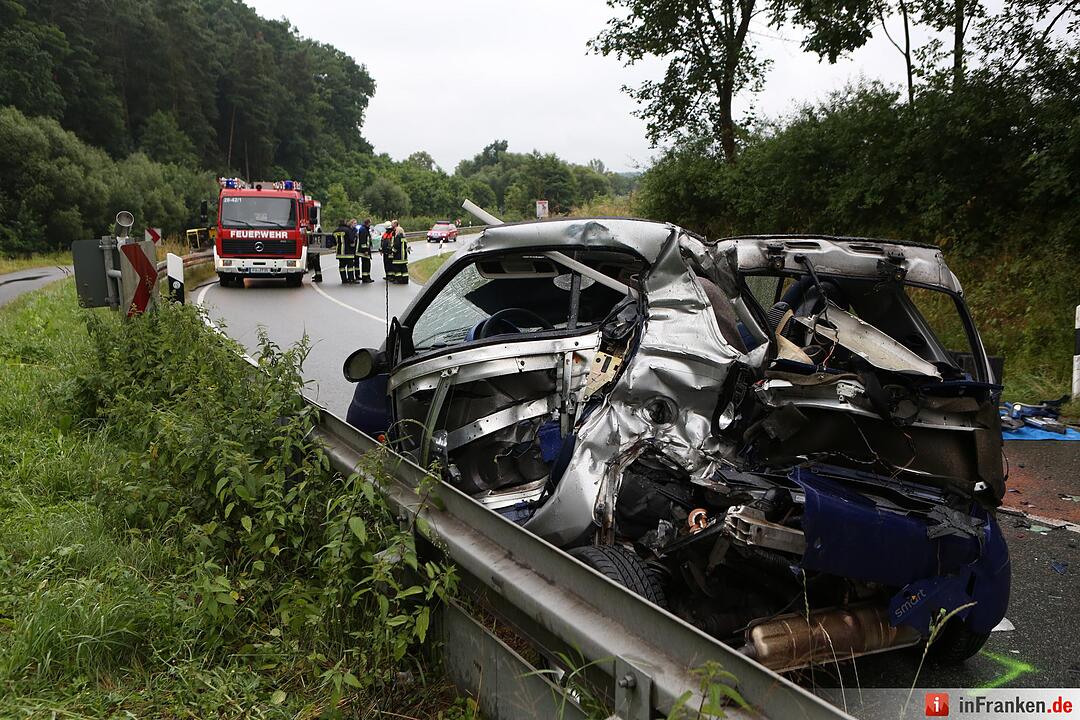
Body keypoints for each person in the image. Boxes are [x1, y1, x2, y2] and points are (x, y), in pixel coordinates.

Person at [334, 219, 358, 284]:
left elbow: (334, 242)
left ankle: (344, 280)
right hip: (348, 251)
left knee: (342, 267)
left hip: (339, 252)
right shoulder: (348, 230)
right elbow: (351, 239)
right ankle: (351, 279)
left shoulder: (335, 231)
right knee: (350, 267)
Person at [389, 219, 409, 284]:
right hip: (404, 256)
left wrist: (392, 251)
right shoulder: (404, 237)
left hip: (398, 256)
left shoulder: (398, 237)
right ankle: (405, 280)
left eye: (396, 230)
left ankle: (399, 280)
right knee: (404, 269)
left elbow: (396, 247)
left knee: (397, 268)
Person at [356, 219, 373, 283]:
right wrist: (365, 250)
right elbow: (363, 240)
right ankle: (365, 278)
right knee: (366, 264)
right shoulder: (363, 230)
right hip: (364, 251)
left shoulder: (365, 229)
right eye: (370, 223)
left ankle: (367, 277)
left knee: (367, 264)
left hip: (365, 250)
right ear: (368, 223)